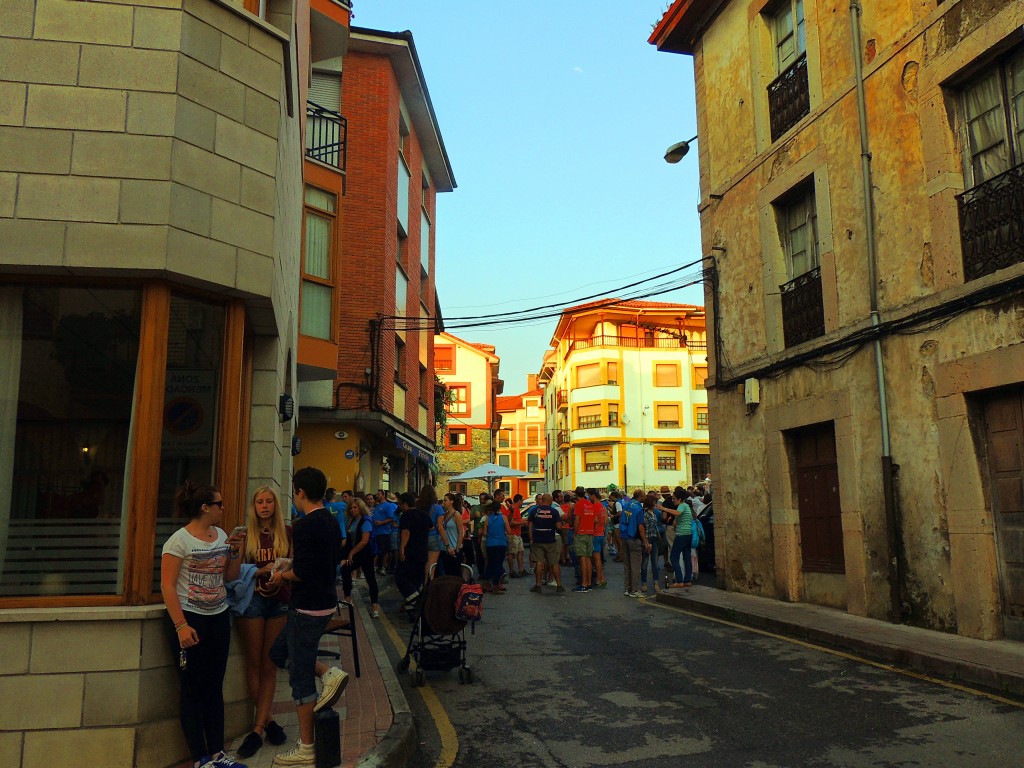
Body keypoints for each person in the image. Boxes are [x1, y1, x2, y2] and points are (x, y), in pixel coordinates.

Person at [160, 481, 247, 768]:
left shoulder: (221, 535)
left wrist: (234, 551)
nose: (223, 509)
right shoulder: (179, 541)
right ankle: (200, 757)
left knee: (214, 686)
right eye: (219, 504)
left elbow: (230, 576)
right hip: (191, 617)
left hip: (218, 615)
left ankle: (218, 753)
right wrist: (181, 626)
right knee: (192, 688)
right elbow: (168, 586)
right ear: (204, 508)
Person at [268, 467, 348, 767]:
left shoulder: (304, 526)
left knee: (300, 679)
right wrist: (292, 566)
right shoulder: (329, 521)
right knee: (279, 653)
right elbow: (320, 562)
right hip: (325, 601)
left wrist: (280, 576)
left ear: (299, 492)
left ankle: (307, 747)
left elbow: (302, 571)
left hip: (307, 607)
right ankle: (328, 672)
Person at [235, 486, 292, 759]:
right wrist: (260, 570)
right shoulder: (246, 536)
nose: (265, 506)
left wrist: (284, 572)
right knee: (254, 662)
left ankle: (258, 728)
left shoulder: (286, 533)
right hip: (254, 600)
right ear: (254, 505)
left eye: (269, 501)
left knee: (270, 664)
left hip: (279, 599)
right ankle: (267, 722)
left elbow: (295, 566)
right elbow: (232, 573)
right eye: (260, 501)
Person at [340, 497, 380, 618]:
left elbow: (364, 541)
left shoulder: (365, 520)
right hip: (358, 553)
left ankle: (373, 606)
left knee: (369, 578)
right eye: (351, 508)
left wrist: (351, 553)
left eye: (355, 507)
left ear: (360, 508)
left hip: (365, 553)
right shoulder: (353, 520)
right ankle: (349, 599)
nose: (353, 510)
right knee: (365, 576)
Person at [396, 491, 432, 602]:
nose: (399, 507)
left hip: (410, 552)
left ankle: (415, 600)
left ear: (405, 504)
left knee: (400, 577)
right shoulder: (424, 514)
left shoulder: (406, 515)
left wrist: (402, 548)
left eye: (400, 504)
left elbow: (405, 532)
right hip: (422, 551)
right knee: (416, 579)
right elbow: (431, 528)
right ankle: (414, 608)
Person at [527, 494, 563, 593]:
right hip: (550, 540)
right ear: (550, 500)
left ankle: (538, 585)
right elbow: (559, 526)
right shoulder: (554, 511)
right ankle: (559, 585)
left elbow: (529, 525)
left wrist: (531, 538)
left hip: (538, 540)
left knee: (539, 562)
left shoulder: (535, 510)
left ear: (542, 500)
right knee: (554, 563)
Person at [659, 489, 694, 587]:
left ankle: (679, 580)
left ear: (680, 499)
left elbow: (677, 514)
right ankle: (687, 580)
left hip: (681, 534)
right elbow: (676, 522)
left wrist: (664, 509)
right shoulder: (686, 506)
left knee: (674, 557)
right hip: (688, 534)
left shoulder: (682, 506)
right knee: (687, 557)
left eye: (674, 499)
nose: (672, 500)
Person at [480, 501, 511, 593]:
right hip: (501, 543)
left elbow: (485, 533)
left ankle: (486, 582)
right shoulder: (504, 518)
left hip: (490, 544)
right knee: (498, 564)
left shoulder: (488, 519)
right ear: (499, 508)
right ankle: (495, 585)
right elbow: (509, 531)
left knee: (491, 563)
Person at [618, 488, 644, 598]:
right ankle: (634, 590)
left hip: (625, 535)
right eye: (644, 495)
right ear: (640, 497)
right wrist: (646, 542)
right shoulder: (638, 508)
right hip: (634, 537)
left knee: (627, 565)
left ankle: (627, 589)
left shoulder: (627, 505)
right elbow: (641, 526)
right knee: (635, 566)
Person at [572, 490, 597, 593]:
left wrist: (575, 533)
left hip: (581, 532)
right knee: (588, 558)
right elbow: (595, 520)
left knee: (582, 558)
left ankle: (584, 584)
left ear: (576, 495)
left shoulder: (578, 504)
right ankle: (589, 583)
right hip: (590, 533)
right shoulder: (590, 504)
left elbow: (577, 520)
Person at [639, 491, 662, 595]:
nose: (655, 503)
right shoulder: (645, 514)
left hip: (654, 538)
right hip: (647, 539)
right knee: (645, 563)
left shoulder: (654, 512)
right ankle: (644, 583)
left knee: (655, 563)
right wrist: (646, 542)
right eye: (654, 502)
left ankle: (655, 583)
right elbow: (644, 528)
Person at [438, 493, 465, 576]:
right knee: (447, 573)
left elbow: (461, 532)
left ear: (451, 501)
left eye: (446, 500)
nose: (444, 502)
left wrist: (457, 548)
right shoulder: (445, 515)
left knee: (455, 573)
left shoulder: (456, 514)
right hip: (445, 548)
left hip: (454, 548)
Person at [370, 490, 396, 575]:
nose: (377, 496)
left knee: (384, 551)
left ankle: (383, 568)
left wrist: (381, 522)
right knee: (377, 551)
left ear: (383, 495)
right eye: (377, 494)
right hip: (376, 532)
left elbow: (391, 518)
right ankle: (375, 567)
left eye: (379, 494)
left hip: (384, 532)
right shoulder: (377, 506)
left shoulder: (387, 506)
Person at [589, 489, 607, 588]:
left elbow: (595, 520)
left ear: (593, 496)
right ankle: (601, 577)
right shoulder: (602, 507)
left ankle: (599, 578)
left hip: (595, 534)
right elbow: (605, 521)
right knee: (598, 557)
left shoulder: (594, 506)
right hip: (601, 533)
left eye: (589, 496)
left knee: (596, 559)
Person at [506, 494, 527, 578]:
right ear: (519, 501)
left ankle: (520, 570)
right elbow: (511, 522)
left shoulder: (516, 508)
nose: (522, 503)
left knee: (520, 551)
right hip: (513, 534)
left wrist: (523, 520)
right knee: (512, 553)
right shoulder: (515, 508)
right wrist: (523, 522)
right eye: (522, 501)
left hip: (517, 534)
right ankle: (512, 571)